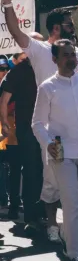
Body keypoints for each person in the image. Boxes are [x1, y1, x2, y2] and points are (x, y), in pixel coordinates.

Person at [0, 0, 78, 242]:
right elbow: (17, 32)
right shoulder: (40, 51)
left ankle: (74, 221)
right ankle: (54, 225)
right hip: (54, 137)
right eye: (68, 24)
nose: (73, 27)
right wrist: (7, 2)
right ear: (55, 28)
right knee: (54, 180)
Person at [31, 39, 78, 261]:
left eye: (73, 54)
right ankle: (75, 253)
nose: (72, 58)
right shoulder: (47, 87)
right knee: (71, 202)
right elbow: (37, 123)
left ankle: (66, 231)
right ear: (55, 59)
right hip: (62, 152)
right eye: (66, 55)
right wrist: (48, 142)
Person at [0, 44, 43, 228]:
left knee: (44, 172)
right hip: (23, 130)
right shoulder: (19, 72)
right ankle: (28, 214)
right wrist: (4, 123)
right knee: (25, 170)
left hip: (49, 129)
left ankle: (43, 213)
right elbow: (5, 98)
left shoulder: (48, 66)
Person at [0, 55, 20, 217]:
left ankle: (14, 204)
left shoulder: (13, 83)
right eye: (1, 69)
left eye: (6, 68)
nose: (4, 72)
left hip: (12, 134)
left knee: (14, 169)